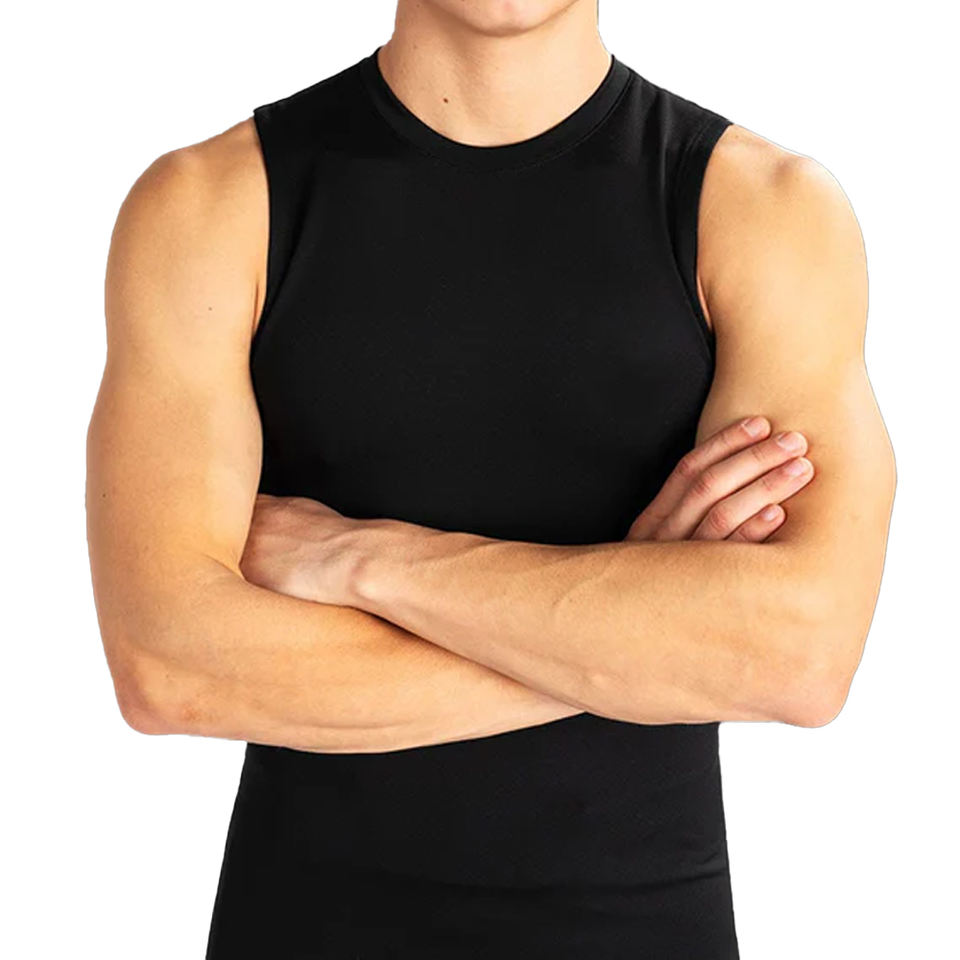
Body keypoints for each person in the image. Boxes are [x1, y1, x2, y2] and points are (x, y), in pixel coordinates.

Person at [85, 1, 896, 956]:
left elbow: (798, 656)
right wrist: (633, 631)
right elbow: (170, 669)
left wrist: (366, 561)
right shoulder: (211, 205)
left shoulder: (766, 211)